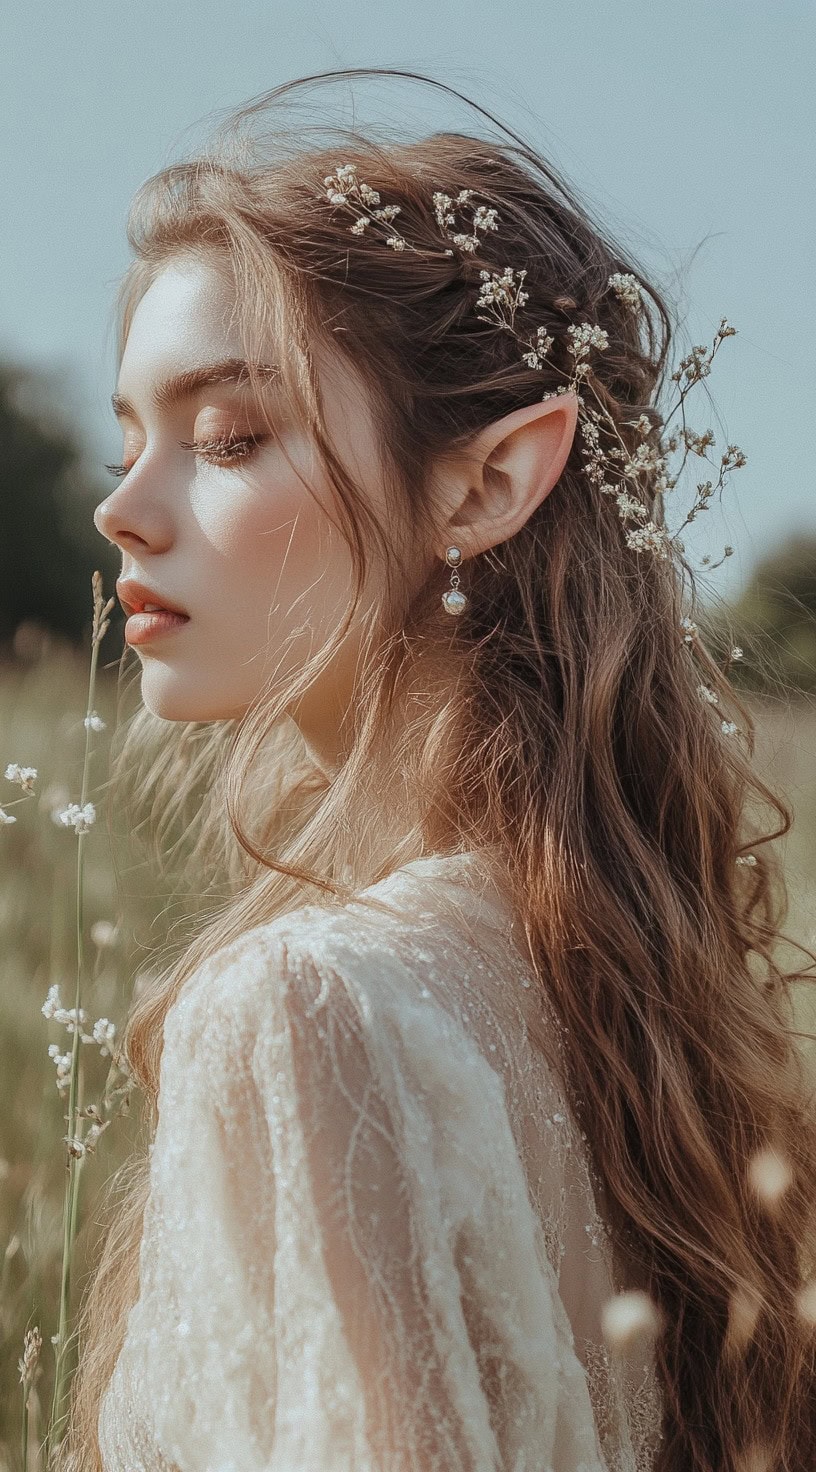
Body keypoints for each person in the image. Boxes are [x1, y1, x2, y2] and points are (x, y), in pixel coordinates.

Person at [59, 68, 816, 1472]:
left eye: (228, 436)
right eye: (128, 441)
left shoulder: (301, 1009)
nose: (122, 508)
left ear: (486, 485)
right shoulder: (641, 1025)